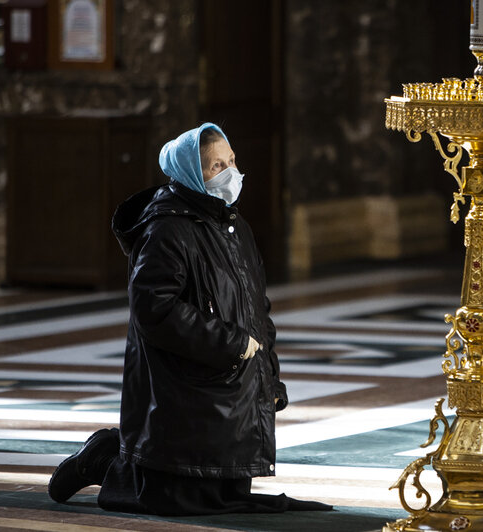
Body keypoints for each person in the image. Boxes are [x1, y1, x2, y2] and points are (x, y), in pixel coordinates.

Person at [47, 123, 330, 515]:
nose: (230, 172)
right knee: (180, 497)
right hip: (187, 382)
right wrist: (229, 343)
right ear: (194, 175)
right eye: (217, 166)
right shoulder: (168, 228)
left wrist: (270, 376)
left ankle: (115, 454)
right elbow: (154, 309)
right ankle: (101, 460)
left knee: (225, 491)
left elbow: (255, 308)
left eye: (231, 161)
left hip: (229, 383)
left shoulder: (235, 227)